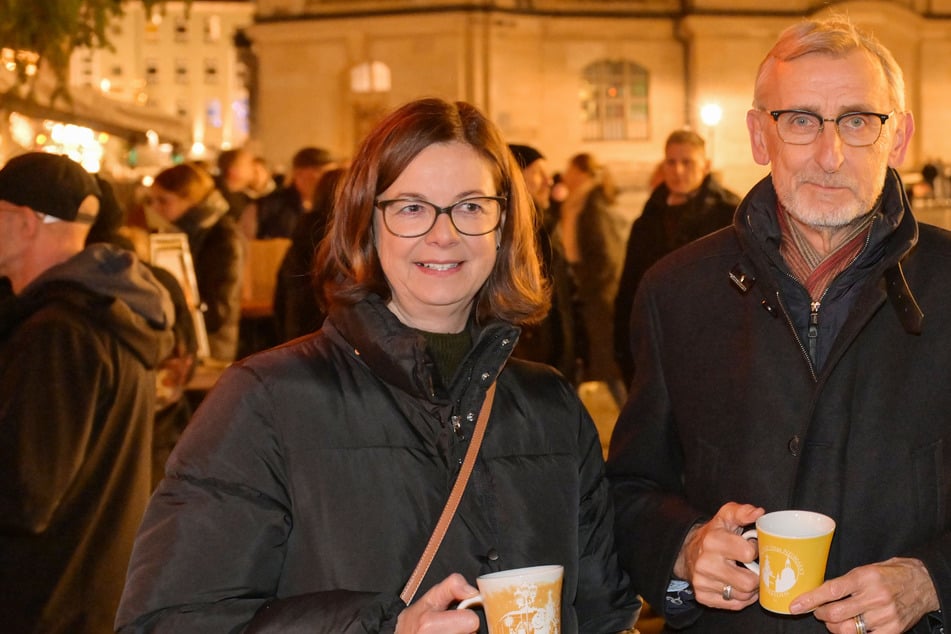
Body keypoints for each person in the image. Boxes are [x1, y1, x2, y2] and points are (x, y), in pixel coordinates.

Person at [116, 97, 640, 633]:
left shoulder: (548, 405)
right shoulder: (267, 399)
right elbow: (168, 620)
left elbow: (602, 612)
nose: (444, 233)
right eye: (411, 207)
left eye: (470, 206)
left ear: (503, 226)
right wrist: (382, 628)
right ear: (368, 221)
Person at [607, 16, 951, 633]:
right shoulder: (675, 291)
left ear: (897, 137)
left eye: (857, 120)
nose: (830, 154)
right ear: (759, 137)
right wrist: (683, 547)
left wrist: (933, 579)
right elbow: (631, 489)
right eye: (800, 121)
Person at [0, 153, 174, 633]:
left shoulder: (59, 332)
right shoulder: (105, 312)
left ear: (24, 222)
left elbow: (25, 494)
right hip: (87, 591)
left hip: (44, 600)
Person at [613, 130, 740, 385]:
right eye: (671, 162)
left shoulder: (729, 217)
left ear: (705, 166)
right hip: (657, 351)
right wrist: (625, 349)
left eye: (687, 162)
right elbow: (630, 290)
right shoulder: (647, 222)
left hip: (715, 353)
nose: (678, 170)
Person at [150, 162, 244, 362]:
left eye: (163, 200)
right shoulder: (186, 231)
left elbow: (219, 306)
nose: (155, 208)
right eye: (153, 200)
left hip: (211, 345)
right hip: (193, 340)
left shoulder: (221, 236)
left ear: (190, 199)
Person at [507, 143, 582, 384]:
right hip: (532, 363)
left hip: (558, 360)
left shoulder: (546, 226)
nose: (549, 181)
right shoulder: (512, 233)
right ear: (516, 178)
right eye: (538, 173)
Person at [559, 152, 626, 403]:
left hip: (598, 302)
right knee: (598, 367)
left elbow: (606, 256)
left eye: (569, 169)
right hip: (590, 300)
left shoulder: (591, 205)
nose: (565, 175)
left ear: (581, 172)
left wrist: (586, 287)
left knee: (610, 369)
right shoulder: (578, 203)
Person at [272, 166, 346, 342]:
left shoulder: (303, 232)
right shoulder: (340, 239)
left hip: (298, 334)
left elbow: (281, 292)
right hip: (329, 339)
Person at [242, 146, 338, 239]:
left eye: (333, 176)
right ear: (299, 173)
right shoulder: (265, 207)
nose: (330, 181)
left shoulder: (333, 209)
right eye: (325, 175)